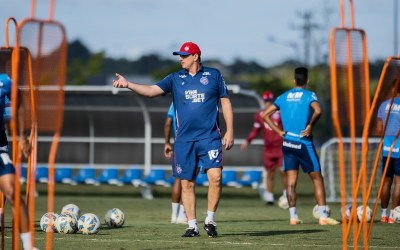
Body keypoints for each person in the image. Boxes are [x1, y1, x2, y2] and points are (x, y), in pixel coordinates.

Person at [113, 42, 234, 237]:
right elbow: (152, 91)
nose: (180, 59)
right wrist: (128, 85)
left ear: (195, 56)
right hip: (184, 141)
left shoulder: (214, 75)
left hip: (210, 137)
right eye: (180, 55)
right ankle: (192, 226)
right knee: (186, 183)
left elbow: (226, 103)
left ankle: (210, 220)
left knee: (216, 177)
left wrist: (230, 131)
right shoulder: (175, 78)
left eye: (184, 55)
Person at [262, 67, 339, 225]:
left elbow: (265, 115)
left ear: (293, 81)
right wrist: (310, 125)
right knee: (317, 178)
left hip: (288, 142)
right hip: (303, 142)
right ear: (307, 81)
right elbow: (318, 111)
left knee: (291, 181)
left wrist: (279, 131)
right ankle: (323, 216)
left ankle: (293, 217)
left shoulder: (283, 96)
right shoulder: (309, 95)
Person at [0, 73, 36, 250]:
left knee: (12, 191)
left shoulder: (4, 81)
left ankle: (29, 247)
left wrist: (22, 136)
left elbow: (20, 102)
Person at [240, 90, 287, 207]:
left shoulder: (280, 113)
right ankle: (270, 197)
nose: (267, 103)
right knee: (269, 172)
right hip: (269, 148)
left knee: (283, 171)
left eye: (269, 101)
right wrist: (247, 141)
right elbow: (255, 130)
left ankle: (287, 195)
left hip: (280, 147)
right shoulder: (260, 115)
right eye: (265, 101)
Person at [377, 79, 400, 223]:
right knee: (399, 182)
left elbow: (380, 130)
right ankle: (394, 214)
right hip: (399, 147)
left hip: (386, 148)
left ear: (393, 89)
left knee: (386, 182)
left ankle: (383, 214)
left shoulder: (383, 105)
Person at [164, 102, 187, 224]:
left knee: (178, 179)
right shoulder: (192, 97)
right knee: (189, 180)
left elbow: (168, 122)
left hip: (178, 144)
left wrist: (167, 143)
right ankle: (183, 216)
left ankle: (174, 216)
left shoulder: (174, 102)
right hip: (192, 142)